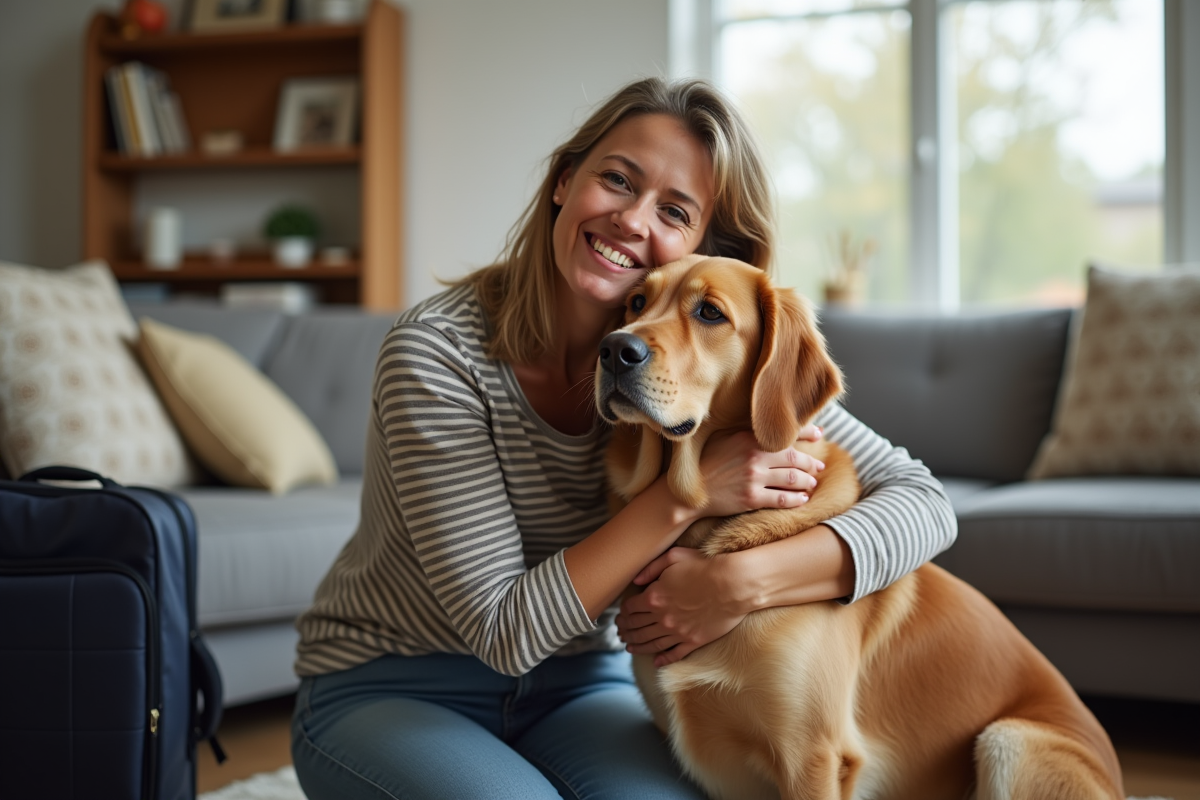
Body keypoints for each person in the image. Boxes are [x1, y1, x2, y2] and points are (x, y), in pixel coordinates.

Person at [291, 77, 956, 800]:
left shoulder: (702, 365)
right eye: (616, 180)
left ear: (701, 245)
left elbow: (925, 504)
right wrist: (687, 493)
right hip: (395, 684)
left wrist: (738, 583)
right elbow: (503, 633)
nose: (632, 220)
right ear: (565, 181)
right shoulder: (435, 354)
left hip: (578, 687)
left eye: (674, 210)